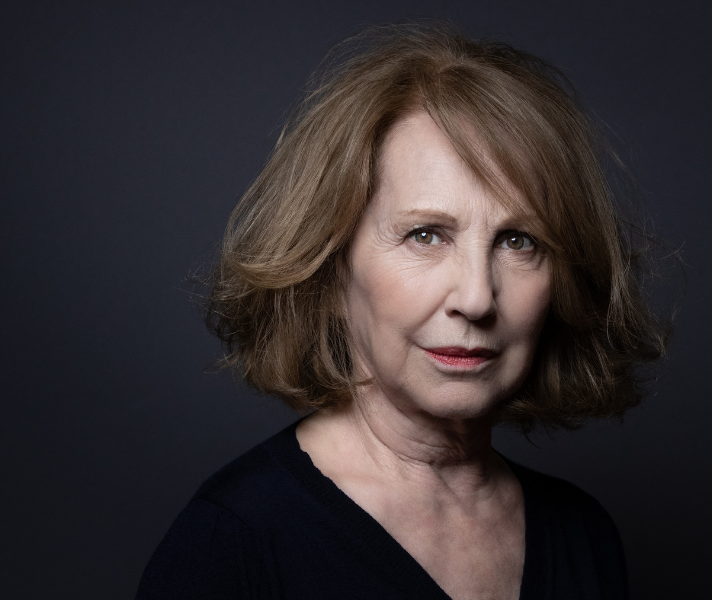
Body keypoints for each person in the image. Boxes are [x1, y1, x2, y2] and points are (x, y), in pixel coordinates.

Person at [137, 23, 666, 600]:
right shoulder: (233, 543)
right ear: (332, 264)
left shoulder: (583, 535)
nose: (477, 298)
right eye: (426, 235)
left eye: (519, 241)